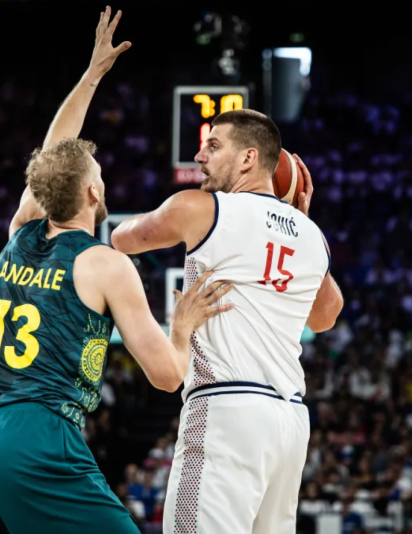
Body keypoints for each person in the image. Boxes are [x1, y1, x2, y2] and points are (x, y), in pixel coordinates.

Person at [0, 8, 234, 534]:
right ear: (92, 191)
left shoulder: (20, 232)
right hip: (36, 435)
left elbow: (52, 155)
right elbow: (167, 375)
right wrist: (182, 327)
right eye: (100, 174)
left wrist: (91, 76)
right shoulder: (107, 264)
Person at [111, 110, 345, 533]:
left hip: (226, 408)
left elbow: (122, 238)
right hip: (290, 421)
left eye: (213, 146)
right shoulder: (314, 236)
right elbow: (326, 316)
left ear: (248, 158)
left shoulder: (201, 208)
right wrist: (300, 226)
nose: (200, 156)